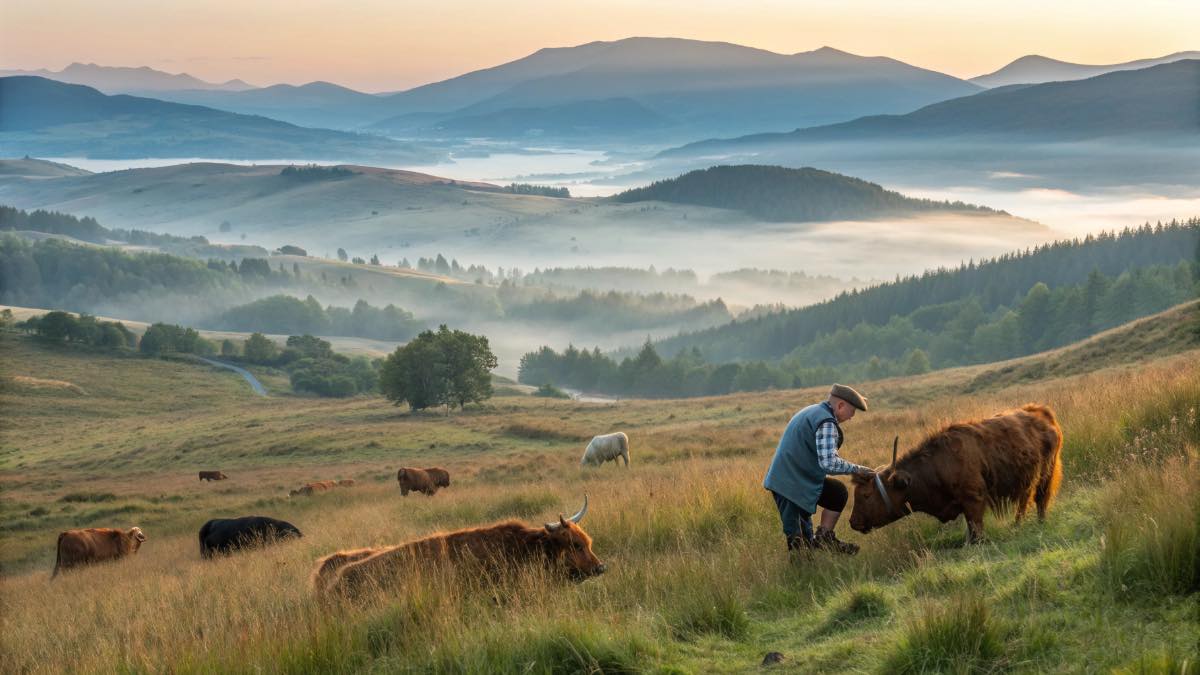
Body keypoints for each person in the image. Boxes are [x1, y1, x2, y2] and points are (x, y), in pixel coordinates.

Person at [763, 383, 874, 555]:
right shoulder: (827, 422)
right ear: (841, 405)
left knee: (836, 493)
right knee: (799, 541)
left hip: (798, 480)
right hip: (789, 485)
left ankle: (824, 538)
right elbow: (829, 463)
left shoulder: (815, 411)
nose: (852, 417)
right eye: (852, 411)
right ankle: (802, 572)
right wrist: (858, 470)